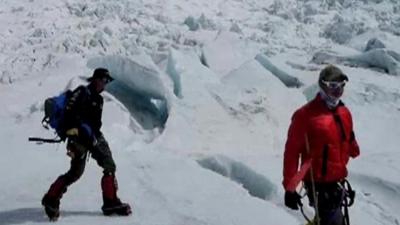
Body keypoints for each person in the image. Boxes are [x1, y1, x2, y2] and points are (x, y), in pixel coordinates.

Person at [41, 68, 131, 221]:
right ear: (96, 79)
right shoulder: (82, 92)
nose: (106, 84)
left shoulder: (99, 99)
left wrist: (93, 134)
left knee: (100, 166)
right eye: (104, 80)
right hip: (80, 139)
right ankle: (52, 199)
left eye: (107, 81)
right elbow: (70, 112)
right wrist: (83, 132)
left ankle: (109, 202)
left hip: (92, 137)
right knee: (85, 170)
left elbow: (95, 122)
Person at [282, 65, 360, 225]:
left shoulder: (344, 112)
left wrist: (353, 148)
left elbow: (348, 138)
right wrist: (290, 188)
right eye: (333, 86)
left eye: (341, 86)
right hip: (317, 184)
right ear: (322, 85)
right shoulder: (305, 115)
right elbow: (292, 152)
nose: (338, 90)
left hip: (337, 181)